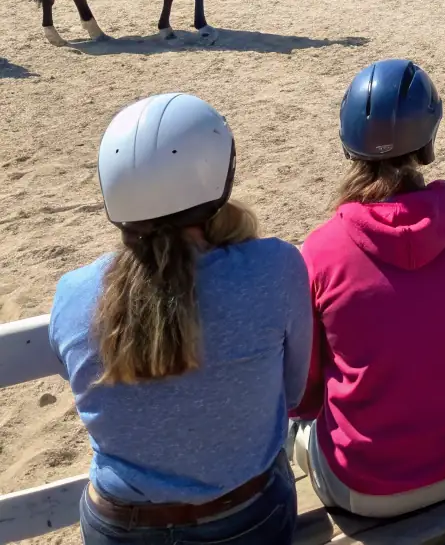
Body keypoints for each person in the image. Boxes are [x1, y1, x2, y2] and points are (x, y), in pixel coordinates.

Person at [48, 92, 313, 545]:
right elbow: (292, 391)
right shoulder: (276, 267)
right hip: (246, 517)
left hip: (120, 527)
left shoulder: (73, 296)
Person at [291, 59, 445, 518]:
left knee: (292, 432)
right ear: (428, 139)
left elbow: (304, 392)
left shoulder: (323, 249)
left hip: (362, 487)